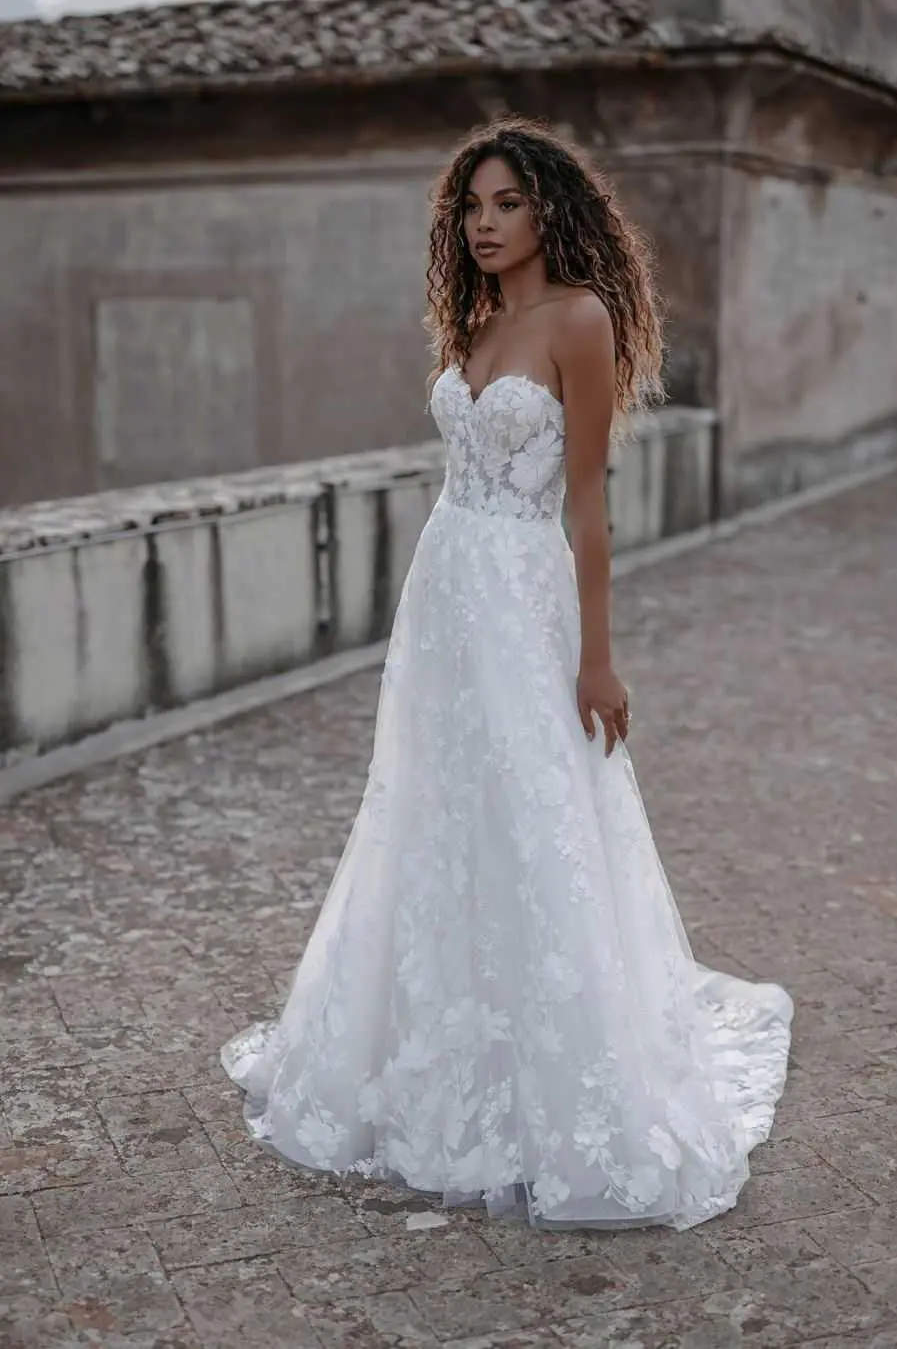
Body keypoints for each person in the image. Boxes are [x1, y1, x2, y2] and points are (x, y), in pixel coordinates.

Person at [221, 116, 793, 1231]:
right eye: (472, 207)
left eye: (507, 205)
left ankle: (559, 1077)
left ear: (550, 211)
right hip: (445, 599)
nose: (485, 225)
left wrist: (598, 655)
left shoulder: (579, 318)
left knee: (538, 814)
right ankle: (428, 1050)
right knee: (437, 812)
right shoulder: (478, 318)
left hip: (525, 597)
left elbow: (587, 502)